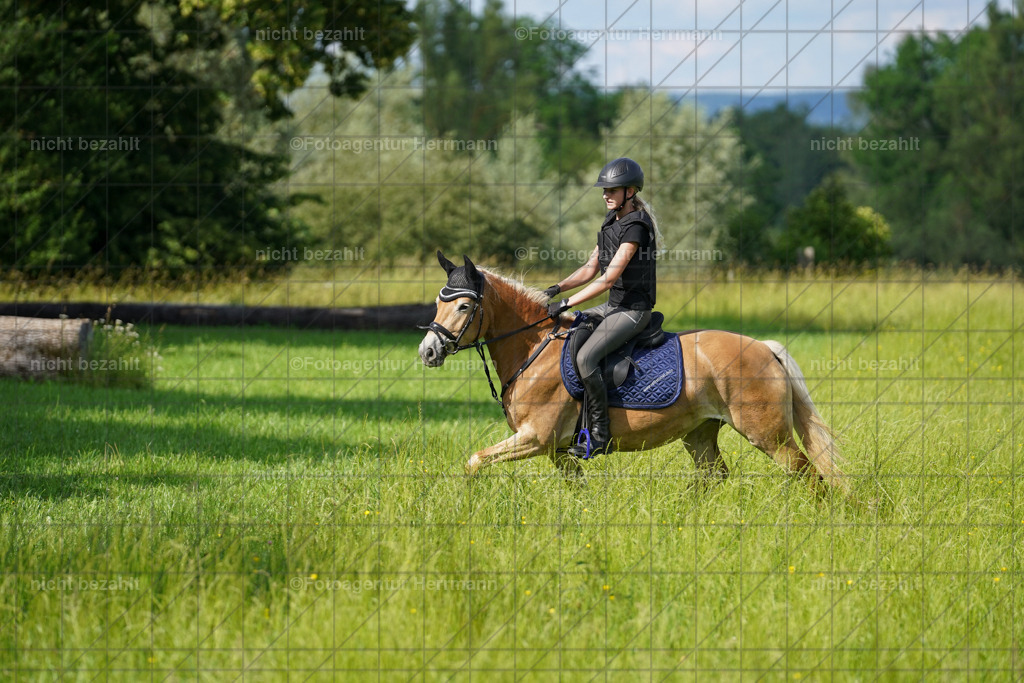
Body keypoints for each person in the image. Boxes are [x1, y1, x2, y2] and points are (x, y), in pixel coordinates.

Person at [544, 157, 660, 458]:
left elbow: (609, 279)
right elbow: (589, 268)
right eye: (604, 189)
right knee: (567, 336)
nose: (606, 194)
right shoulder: (611, 221)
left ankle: (598, 434)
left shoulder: (636, 227)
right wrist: (557, 288)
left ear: (630, 192)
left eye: (613, 189)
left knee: (586, 358)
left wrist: (567, 303)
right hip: (612, 307)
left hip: (632, 311)